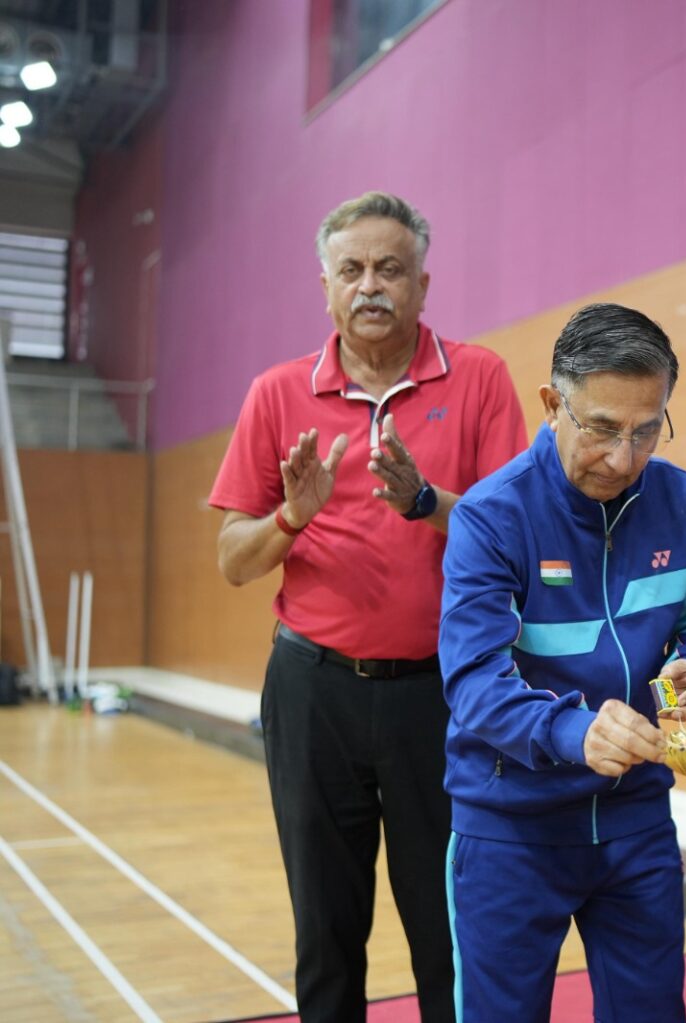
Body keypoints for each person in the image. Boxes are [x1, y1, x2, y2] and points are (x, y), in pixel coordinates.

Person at [210, 191, 527, 1021]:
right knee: (326, 928)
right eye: (351, 270)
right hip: (313, 692)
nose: (370, 285)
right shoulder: (277, 392)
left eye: (390, 268)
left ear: (423, 282)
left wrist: (428, 502)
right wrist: (290, 517)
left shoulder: (481, 377)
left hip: (445, 694)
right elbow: (234, 560)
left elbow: (521, 539)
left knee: (450, 926)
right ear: (326, 287)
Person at [438, 302, 686, 1022]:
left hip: (637, 821)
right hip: (511, 828)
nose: (623, 459)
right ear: (552, 405)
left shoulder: (679, 499)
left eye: (645, 430)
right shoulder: (490, 516)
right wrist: (575, 732)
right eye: (601, 428)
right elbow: (473, 682)